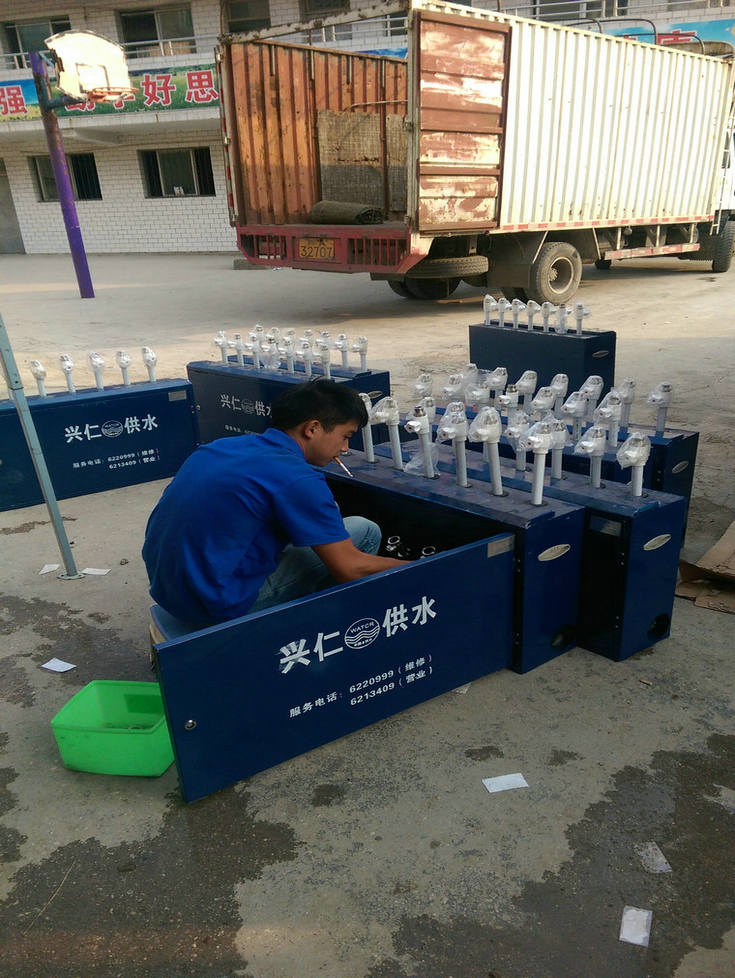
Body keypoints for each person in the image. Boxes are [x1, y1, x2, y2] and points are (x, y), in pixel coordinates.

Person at [142, 378, 406, 627]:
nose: (345, 448)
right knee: (365, 530)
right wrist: (419, 567)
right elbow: (349, 569)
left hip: (168, 590)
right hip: (217, 604)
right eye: (345, 436)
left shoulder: (220, 447)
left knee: (326, 514)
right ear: (312, 428)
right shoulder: (296, 477)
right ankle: (323, 624)